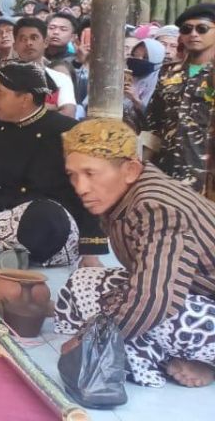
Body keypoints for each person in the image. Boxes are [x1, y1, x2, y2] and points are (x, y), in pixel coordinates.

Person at [53, 118, 215, 389]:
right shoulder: (126, 197)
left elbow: (153, 298)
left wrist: (88, 338)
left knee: (155, 313)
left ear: (130, 170)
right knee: (87, 281)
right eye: (73, 174)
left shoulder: (157, 207)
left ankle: (192, 360)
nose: (80, 187)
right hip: (196, 296)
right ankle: (165, 356)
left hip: (193, 305)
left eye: (91, 173)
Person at [0, 61, 106, 269]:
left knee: (46, 217)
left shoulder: (68, 132)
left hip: (40, 223)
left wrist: (91, 251)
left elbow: (90, 191)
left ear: (25, 99)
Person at [145, 3, 215, 196]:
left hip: (206, 176)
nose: (193, 34)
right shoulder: (168, 72)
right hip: (166, 172)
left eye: (202, 29)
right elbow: (153, 122)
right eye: (187, 29)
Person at [13, 17, 76, 117]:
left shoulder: (61, 79)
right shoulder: (2, 78)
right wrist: (49, 108)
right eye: (23, 39)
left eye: (34, 38)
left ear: (46, 42)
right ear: (15, 46)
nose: (29, 43)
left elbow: (68, 114)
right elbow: (2, 113)